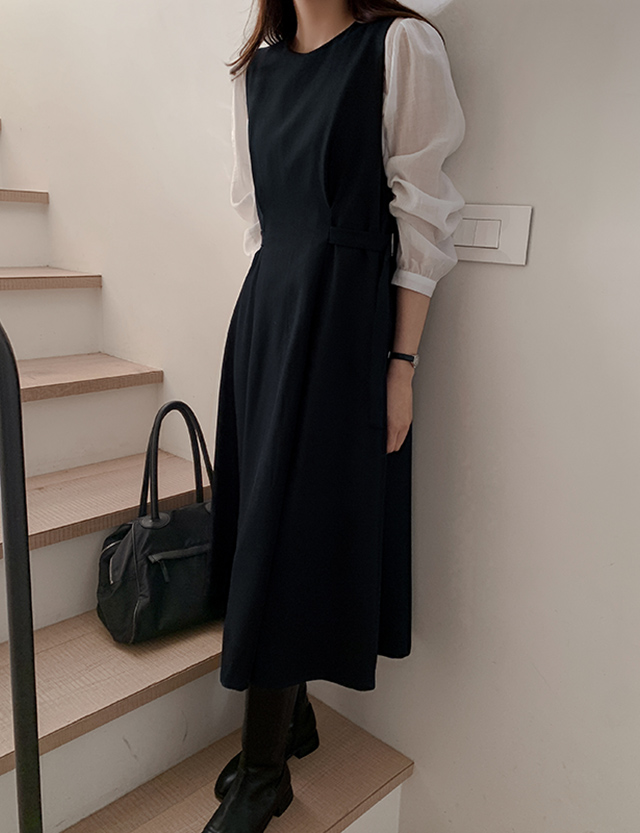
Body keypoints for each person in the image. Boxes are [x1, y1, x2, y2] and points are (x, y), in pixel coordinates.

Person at [202, 1, 466, 831]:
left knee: (297, 528)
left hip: (346, 322)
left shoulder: (400, 46)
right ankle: (295, 717)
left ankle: (264, 775)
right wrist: (269, 327)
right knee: (268, 523)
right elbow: (256, 218)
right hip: (268, 316)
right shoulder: (255, 71)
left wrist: (401, 364)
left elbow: (422, 214)